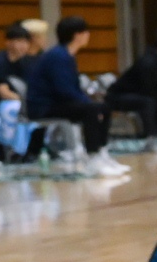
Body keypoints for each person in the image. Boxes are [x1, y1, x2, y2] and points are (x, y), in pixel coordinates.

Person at [23, 15, 130, 177]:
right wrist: (88, 104)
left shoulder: (66, 55)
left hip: (56, 103)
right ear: (77, 35)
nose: (88, 35)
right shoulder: (58, 56)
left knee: (103, 108)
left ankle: (102, 152)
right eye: (86, 32)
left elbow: (73, 89)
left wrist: (89, 103)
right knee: (92, 110)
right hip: (43, 107)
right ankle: (93, 157)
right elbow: (64, 90)